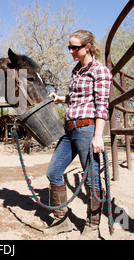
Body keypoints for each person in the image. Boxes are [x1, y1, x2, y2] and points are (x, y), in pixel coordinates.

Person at [44, 29, 112, 239]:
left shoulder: (99, 71)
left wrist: (98, 136)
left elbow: (101, 106)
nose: (71, 51)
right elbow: (78, 99)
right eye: (69, 47)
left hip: (87, 130)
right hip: (70, 130)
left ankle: (92, 227)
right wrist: (61, 98)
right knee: (53, 172)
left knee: (92, 180)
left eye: (75, 47)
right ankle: (61, 220)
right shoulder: (77, 71)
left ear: (87, 47)